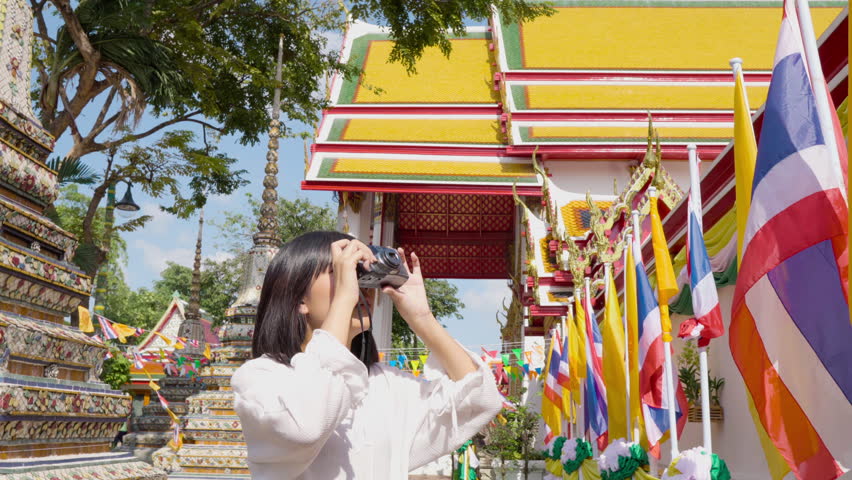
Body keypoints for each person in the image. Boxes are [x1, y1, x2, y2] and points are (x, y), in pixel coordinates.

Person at [232, 231, 503, 479]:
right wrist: (343, 301)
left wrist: (422, 318)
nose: (358, 284)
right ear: (300, 300)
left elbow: (478, 402)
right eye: (341, 272)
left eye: (361, 273)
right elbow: (306, 426)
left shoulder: (384, 384)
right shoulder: (260, 378)